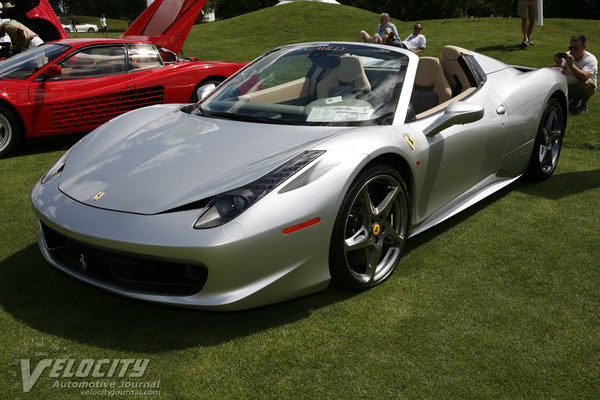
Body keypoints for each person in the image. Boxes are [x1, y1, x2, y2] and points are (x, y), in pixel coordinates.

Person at [553, 35, 597, 115]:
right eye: (570, 48)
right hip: (567, 87)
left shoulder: (590, 59)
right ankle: (571, 100)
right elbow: (556, 72)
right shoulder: (567, 55)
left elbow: (584, 77)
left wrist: (571, 65)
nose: (572, 51)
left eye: (575, 48)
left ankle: (583, 106)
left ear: (584, 47)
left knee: (588, 84)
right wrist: (558, 64)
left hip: (580, 87)